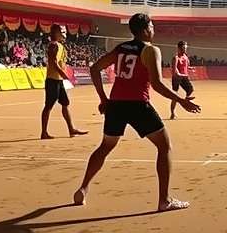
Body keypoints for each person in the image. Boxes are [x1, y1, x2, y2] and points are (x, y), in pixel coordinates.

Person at [74, 13, 201, 212]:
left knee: (105, 147)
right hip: (138, 105)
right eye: (151, 25)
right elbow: (157, 84)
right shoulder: (150, 50)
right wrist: (181, 101)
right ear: (144, 30)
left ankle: (83, 188)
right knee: (165, 146)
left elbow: (95, 69)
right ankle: (164, 200)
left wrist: (103, 99)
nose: (153, 29)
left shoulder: (121, 48)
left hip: (116, 104)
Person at [40, 24, 87, 139]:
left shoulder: (60, 45)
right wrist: (63, 74)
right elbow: (53, 62)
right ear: (56, 32)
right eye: (62, 31)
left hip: (58, 80)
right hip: (53, 80)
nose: (64, 33)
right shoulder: (54, 45)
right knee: (49, 106)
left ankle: (71, 129)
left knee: (65, 104)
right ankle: (44, 132)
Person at [169, 41, 194, 120]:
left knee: (190, 89)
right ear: (179, 48)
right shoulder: (176, 57)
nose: (185, 50)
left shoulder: (186, 57)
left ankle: (185, 101)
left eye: (186, 48)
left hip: (184, 76)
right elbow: (174, 69)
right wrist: (178, 73)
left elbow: (186, 66)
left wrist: (190, 68)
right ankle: (172, 113)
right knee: (174, 96)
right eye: (183, 48)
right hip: (177, 77)